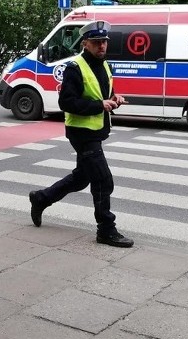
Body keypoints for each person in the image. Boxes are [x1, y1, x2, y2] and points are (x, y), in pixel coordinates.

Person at [28, 20, 134, 248]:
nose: (102, 46)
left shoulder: (105, 65)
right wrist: (99, 105)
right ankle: (106, 230)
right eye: (96, 43)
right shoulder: (75, 67)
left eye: (104, 42)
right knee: (103, 181)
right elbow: (66, 102)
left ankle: (41, 198)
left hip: (96, 130)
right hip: (81, 132)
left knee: (82, 177)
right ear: (85, 43)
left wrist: (115, 98)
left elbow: (104, 91)